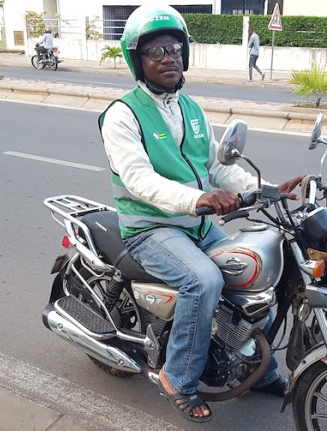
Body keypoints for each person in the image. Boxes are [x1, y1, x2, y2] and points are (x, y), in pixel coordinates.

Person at [99, 4, 303, 424]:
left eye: (174, 47)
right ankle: (178, 377)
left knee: (255, 273)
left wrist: (263, 188)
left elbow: (216, 166)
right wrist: (200, 201)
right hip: (151, 227)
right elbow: (138, 179)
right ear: (138, 59)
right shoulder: (123, 114)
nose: (168, 56)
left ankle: (257, 367)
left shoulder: (190, 108)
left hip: (196, 224)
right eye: (155, 51)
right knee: (203, 279)